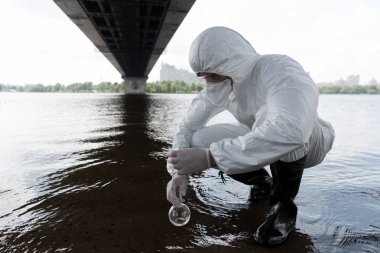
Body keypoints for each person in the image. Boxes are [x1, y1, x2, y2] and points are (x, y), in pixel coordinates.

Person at [166, 26, 335, 246]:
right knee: (198, 140)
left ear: (232, 63)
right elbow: (187, 127)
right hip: (264, 133)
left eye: (214, 75)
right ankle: (262, 182)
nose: (209, 82)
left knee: (272, 120)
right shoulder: (221, 84)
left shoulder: (279, 68)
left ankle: (283, 207)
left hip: (311, 142)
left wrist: (211, 158)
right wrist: (178, 172)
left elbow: (292, 129)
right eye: (203, 77)